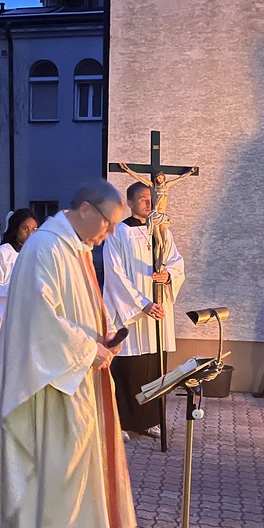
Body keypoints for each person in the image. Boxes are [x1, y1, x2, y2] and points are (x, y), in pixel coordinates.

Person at [0, 180, 136, 528]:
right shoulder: (46, 249)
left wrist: (104, 337)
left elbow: (80, 308)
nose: (108, 235)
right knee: (62, 468)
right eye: (109, 224)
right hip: (53, 382)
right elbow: (42, 321)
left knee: (79, 466)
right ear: (87, 209)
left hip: (77, 376)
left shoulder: (72, 248)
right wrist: (89, 347)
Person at [103, 182, 186, 439]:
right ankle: (123, 423)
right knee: (130, 369)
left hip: (158, 313)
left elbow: (176, 262)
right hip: (134, 315)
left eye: (151, 200)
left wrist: (168, 275)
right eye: (142, 200)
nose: (148, 204)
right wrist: (142, 304)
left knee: (155, 369)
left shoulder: (161, 232)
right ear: (129, 202)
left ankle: (151, 420)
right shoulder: (118, 234)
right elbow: (115, 274)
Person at [0, 209, 38, 422]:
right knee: (7, 374)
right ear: (15, 230)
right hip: (8, 323)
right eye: (25, 228)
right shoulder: (2, 254)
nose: (31, 233)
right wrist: (17, 292)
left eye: (34, 228)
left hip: (31, 323)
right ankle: (2, 420)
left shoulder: (36, 252)